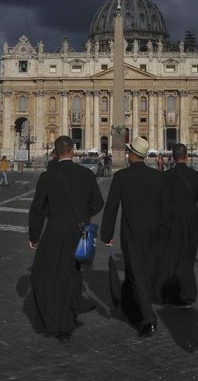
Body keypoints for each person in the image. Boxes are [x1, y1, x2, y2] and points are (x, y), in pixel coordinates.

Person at [28, 136, 104, 342]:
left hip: (55, 231)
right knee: (73, 272)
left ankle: (54, 318)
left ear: (56, 151)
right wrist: (83, 215)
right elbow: (98, 203)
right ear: (73, 151)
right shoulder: (86, 174)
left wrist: (34, 236)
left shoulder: (47, 176)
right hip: (81, 231)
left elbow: (37, 210)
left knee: (46, 274)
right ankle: (69, 316)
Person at [101, 137, 164, 337]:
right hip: (155, 232)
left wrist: (107, 234)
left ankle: (148, 318)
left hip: (132, 232)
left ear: (131, 155)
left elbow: (111, 207)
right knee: (138, 270)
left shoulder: (122, 177)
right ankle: (130, 307)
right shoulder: (158, 177)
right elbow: (166, 207)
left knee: (137, 273)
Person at [155, 143, 198, 307]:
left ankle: (169, 293)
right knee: (187, 257)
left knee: (171, 256)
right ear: (187, 156)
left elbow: (159, 202)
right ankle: (187, 295)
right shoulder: (196, 177)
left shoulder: (165, 176)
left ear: (172, 157)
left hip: (170, 220)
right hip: (190, 221)